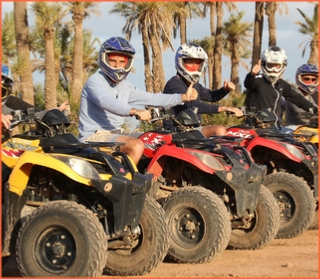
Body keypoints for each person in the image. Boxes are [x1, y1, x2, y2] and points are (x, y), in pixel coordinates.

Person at [78, 36, 198, 165]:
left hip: (117, 133)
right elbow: (106, 101)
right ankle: (126, 182)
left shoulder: (125, 85)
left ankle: (154, 179)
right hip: (93, 137)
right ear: (104, 59)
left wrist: (182, 97)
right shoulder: (95, 81)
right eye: (113, 61)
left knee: (159, 140)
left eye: (121, 62)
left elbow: (152, 97)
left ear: (128, 63)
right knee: (135, 145)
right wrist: (134, 111)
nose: (117, 66)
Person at [162, 42, 243, 138]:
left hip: (192, 131)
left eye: (197, 63)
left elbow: (210, 96)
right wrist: (224, 108)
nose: (194, 66)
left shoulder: (195, 85)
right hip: (175, 134)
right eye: (190, 62)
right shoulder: (174, 84)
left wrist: (224, 90)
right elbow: (192, 104)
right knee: (219, 130)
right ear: (181, 62)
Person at [244, 46, 318, 129]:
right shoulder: (258, 79)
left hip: (275, 129)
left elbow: (297, 98)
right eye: (270, 65)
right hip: (255, 128)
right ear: (264, 64)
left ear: (283, 65)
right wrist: (252, 74)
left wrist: (314, 109)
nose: (273, 69)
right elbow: (248, 84)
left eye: (277, 66)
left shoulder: (281, 84)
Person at [1, 64, 69, 130]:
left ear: (8, 91)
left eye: (2, 91)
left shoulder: (11, 102)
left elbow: (36, 113)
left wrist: (55, 112)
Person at [281, 63, 318, 133]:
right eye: (307, 79)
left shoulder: (310, 95)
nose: (311, 82)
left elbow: (316, 109)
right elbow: (301, 113)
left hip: (307, 129)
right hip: (292, 129)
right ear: (299, 78)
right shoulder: (293, 93)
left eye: (313, 80)